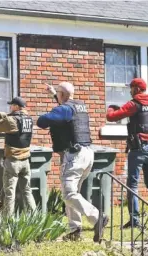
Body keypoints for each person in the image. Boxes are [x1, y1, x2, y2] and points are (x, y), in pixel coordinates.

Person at [37, 82, 108, 242]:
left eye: (59, 94)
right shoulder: (79, 106)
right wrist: (55, 94)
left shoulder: (64, 110)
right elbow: (65, 109)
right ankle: (75, 229)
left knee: (68, 194)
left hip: (74, 156)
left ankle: (97, 217)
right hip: (87, 154)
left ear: (63, 95)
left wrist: (42, 115)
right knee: (73, 193)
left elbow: (42, 122)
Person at [106, 78, 148, 229]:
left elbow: (111, 117)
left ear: (137, 89)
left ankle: (135, 221)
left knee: (132, 184)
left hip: (138, 149)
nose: (130, 90)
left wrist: (111, 108)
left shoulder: (134, 103)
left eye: (131, 88)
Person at [0, 97, 36, 216]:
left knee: (9, 194)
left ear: (16, 106)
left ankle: (8, 223)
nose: (10, 107)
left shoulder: (12, 120)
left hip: (13, 162)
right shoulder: (28, 119)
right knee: (27, 191)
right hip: (25, 161)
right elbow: (6, 116)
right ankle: (35, 219)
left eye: (11, 105)